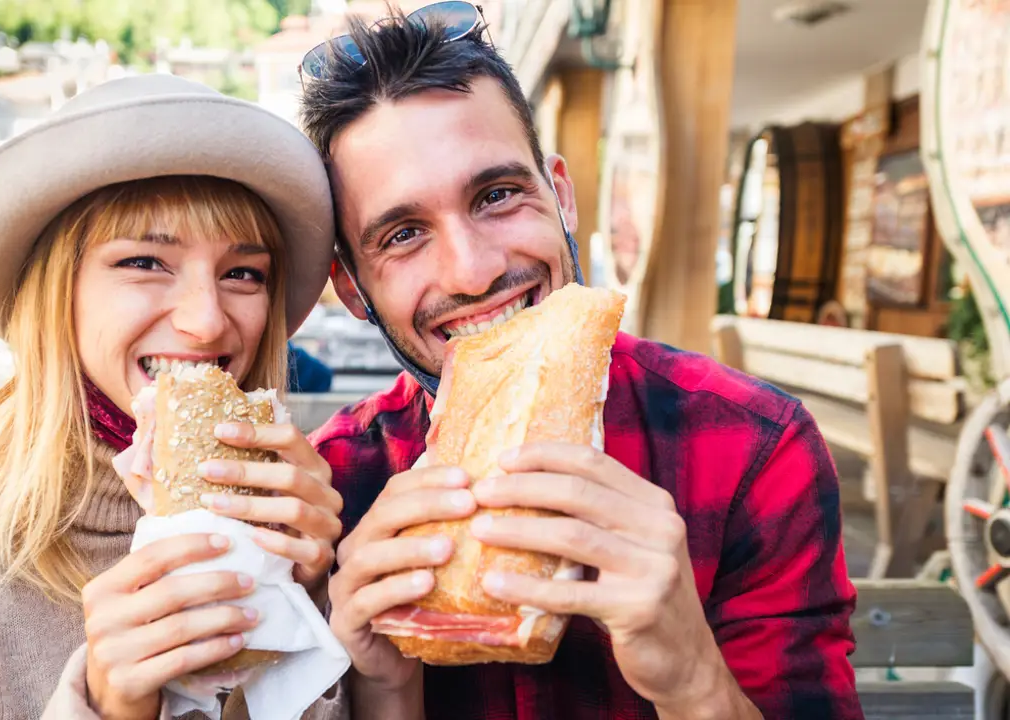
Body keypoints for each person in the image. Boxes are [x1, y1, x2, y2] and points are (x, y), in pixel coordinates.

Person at [298, 4, 862, 719]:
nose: (472, 272)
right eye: (404, 233)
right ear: (352, 287)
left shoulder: (753, 446)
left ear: (560, 197)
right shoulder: (331, 494)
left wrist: (694, 682)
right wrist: (380, 690)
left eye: (497, 195)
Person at [0, 75, 347, 720]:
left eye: (243, 273)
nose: (208, 321)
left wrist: (309, 604)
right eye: (144, 262)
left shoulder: (308, 512)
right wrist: (106, 708)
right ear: (56, 293)